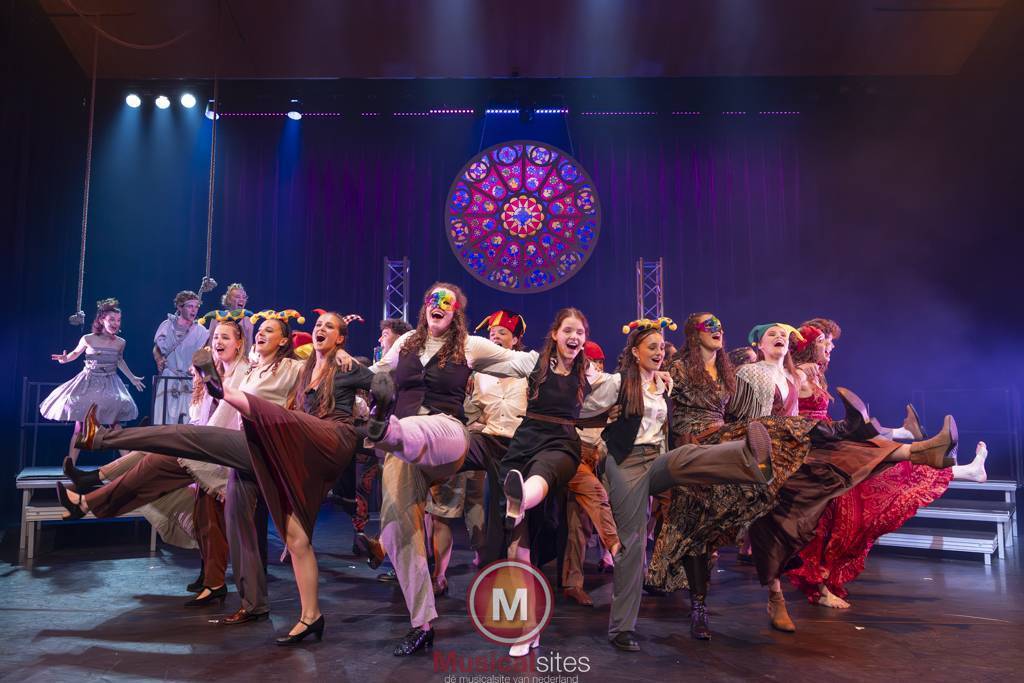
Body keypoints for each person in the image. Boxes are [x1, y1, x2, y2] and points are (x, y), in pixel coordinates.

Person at [61, 313, 306, 632]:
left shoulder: (287, 367)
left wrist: (339, 357)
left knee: (165, 449)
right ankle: (239, 596)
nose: (260, 333)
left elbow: (312, 369)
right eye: (258, 330)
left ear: (282, 341)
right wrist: (206, 376)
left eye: (268, 331)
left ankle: (97, 464)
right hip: (227, 454)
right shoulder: (252, 368)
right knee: (223, 524)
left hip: (240, 451)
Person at [786, 319, 988, 608]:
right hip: (814, 457)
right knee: (831, 517)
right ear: (808, 345)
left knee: (880, 475)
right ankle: (818, 587)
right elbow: (790, 418)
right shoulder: (800, 373)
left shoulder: (816, 374)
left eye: (830, 342)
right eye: (824, 341)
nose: (831, 347)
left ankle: (960, 467)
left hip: (829, 449)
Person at [41, 298, 144, 462]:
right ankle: (70, 464)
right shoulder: (88, 339)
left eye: (118, 320)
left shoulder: (120, 342)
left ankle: (128, 464)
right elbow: (74, 354)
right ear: (102, 320)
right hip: (89, 383)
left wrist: (132, 378)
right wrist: (64, 359)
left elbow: (119, 360)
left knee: (115, 424)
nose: (116, 323)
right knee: (80, 425)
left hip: (109, 383)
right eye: (112, 319)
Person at [153, 291, 208, 424]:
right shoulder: (167, 326)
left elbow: (204, 354)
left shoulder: (200, 331)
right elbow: (156, 348)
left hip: (189, 381)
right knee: (164, 419)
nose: (194, 310)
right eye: (190, 306)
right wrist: (158, 359)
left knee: (188, 419)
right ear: (179, 307)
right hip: (169, 378)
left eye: (196, 307)